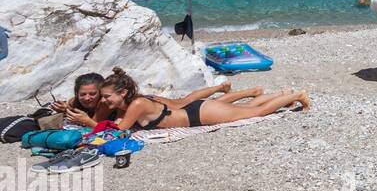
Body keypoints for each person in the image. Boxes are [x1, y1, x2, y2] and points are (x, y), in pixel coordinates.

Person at [100, 69, 307, 131]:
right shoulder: (132, 103)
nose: (104, 100)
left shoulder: (137, 104)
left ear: (123, 93)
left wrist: (87, 123)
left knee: (256, 113)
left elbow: (120, 131)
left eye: (107, 96)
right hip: (196, 112)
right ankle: (282, 96)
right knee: (245, 108)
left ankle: (297, 96)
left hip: (198, 114)